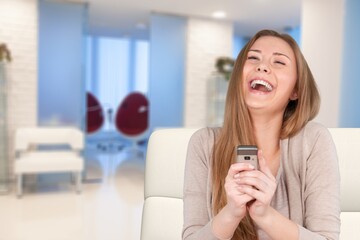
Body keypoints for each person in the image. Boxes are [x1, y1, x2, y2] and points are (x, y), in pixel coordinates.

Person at [182, 29, 340, 240]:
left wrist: (264, 214)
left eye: (279, 62)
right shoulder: (204, 144)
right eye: (253, 58)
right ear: (239, 78)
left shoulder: (313, 141)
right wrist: (231, 213)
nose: (262, 66)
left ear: (296, 90)